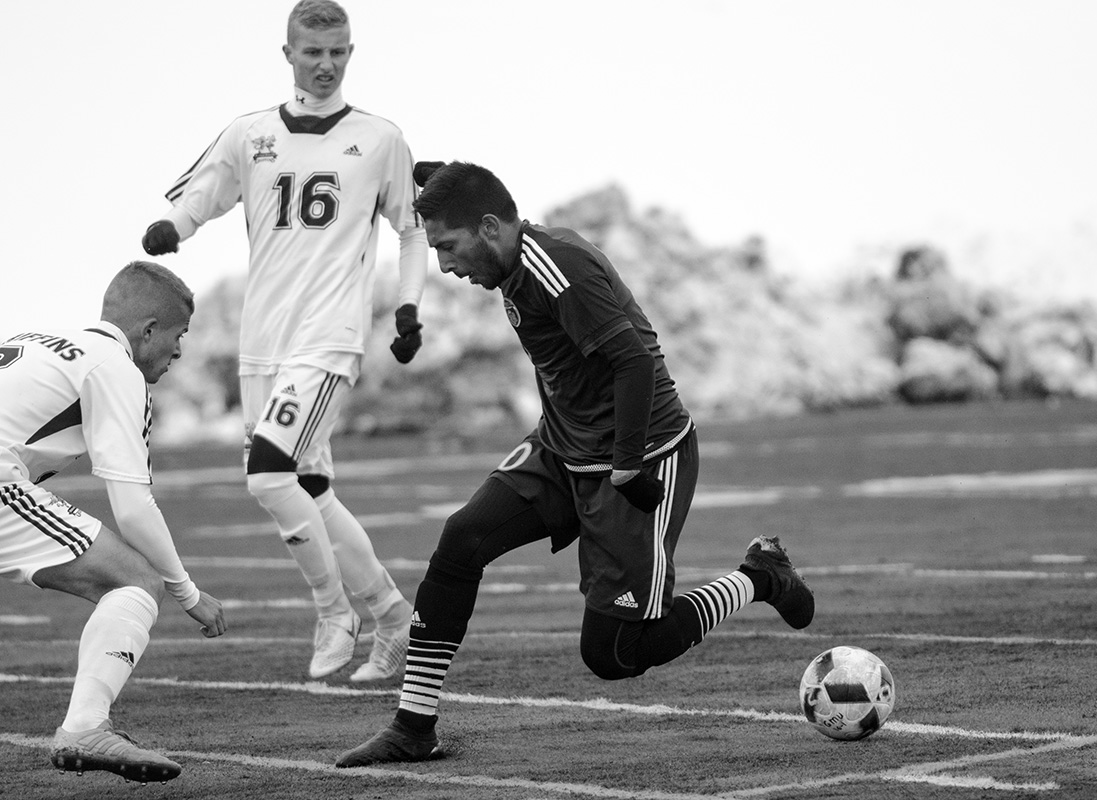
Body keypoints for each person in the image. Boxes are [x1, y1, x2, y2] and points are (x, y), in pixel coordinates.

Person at [335, 162, 815, 766]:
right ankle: (413, 726)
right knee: (461, 540)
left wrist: (625, 467)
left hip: (639, 456)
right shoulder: (509, 254)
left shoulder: (555, 268)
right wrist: (418, 170)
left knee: (615, 655)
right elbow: (462, 186)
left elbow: (635, 362)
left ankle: (760, 576)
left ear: (489, 227)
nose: (446, 267)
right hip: (562, 448)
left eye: (449, 248)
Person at [140, 0, 428, 681]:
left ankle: (335, 610)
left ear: (351, 54)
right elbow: (203, 193)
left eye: (337, 53)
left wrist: (409, 307)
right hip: (261, 341)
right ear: (289, 55)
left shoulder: (380, 139)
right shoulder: (250, 135)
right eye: (312, 53)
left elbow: (411, 231)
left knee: (268, 472)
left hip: (328, 337)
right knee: (312, 487)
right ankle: (394, 619)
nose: (325, 65)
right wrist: (173, 229)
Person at [0, 261, 226, 784]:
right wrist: (188, 594)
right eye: (178, 335)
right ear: (148, 331)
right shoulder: (115, 367)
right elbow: (132, 506)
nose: (179, 351)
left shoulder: (36, 338)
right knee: (137, 580)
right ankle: (84, 728)